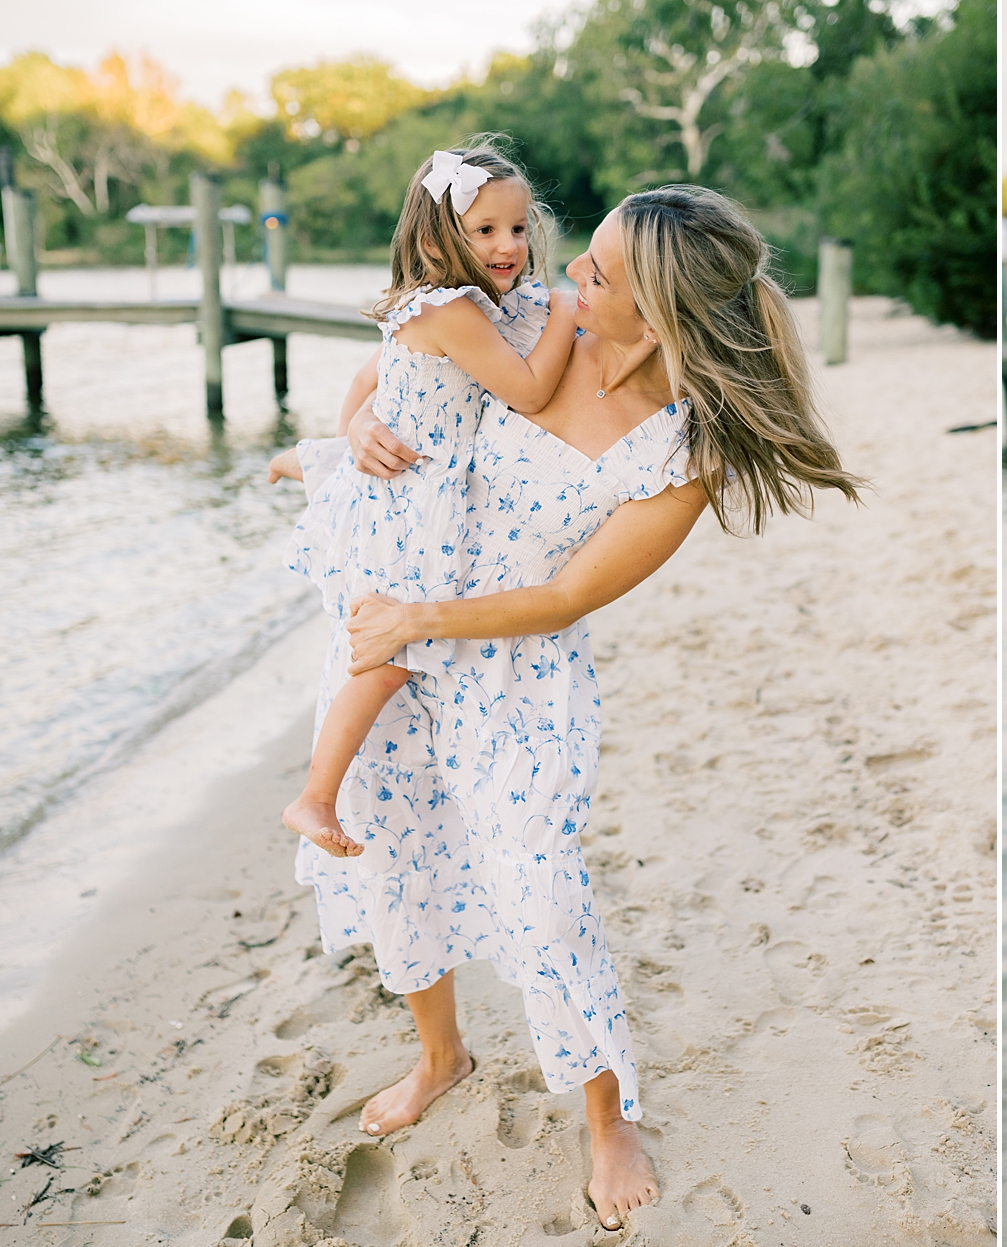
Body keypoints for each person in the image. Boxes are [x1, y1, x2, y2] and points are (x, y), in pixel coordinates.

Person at [273, 183, 862, 1230]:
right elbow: (390, 366)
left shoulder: (681, 454)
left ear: (661, 308)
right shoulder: (530, 318)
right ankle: (442, 1054)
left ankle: (606, 1114)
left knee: (540, 892)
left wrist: (426, 619)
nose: (565, 278)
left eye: (596, 271)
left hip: (508, 669)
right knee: (393, 845)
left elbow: (565, 596)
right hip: (396, 624)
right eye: (578, 260)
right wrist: (358, 424)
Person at [277, 143, 577, 861]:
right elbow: (530, 390)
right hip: (407, 506)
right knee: (389, 656)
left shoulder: (477, 304)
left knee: (398, 648)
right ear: (440, 237)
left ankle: (301, 460)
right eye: (485, 230)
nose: (508, 245)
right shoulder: (451, 313)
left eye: (517, 227)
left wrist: (353, 424)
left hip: (417, 491)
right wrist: (568, 309)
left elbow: (365, 380)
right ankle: (314, 796)